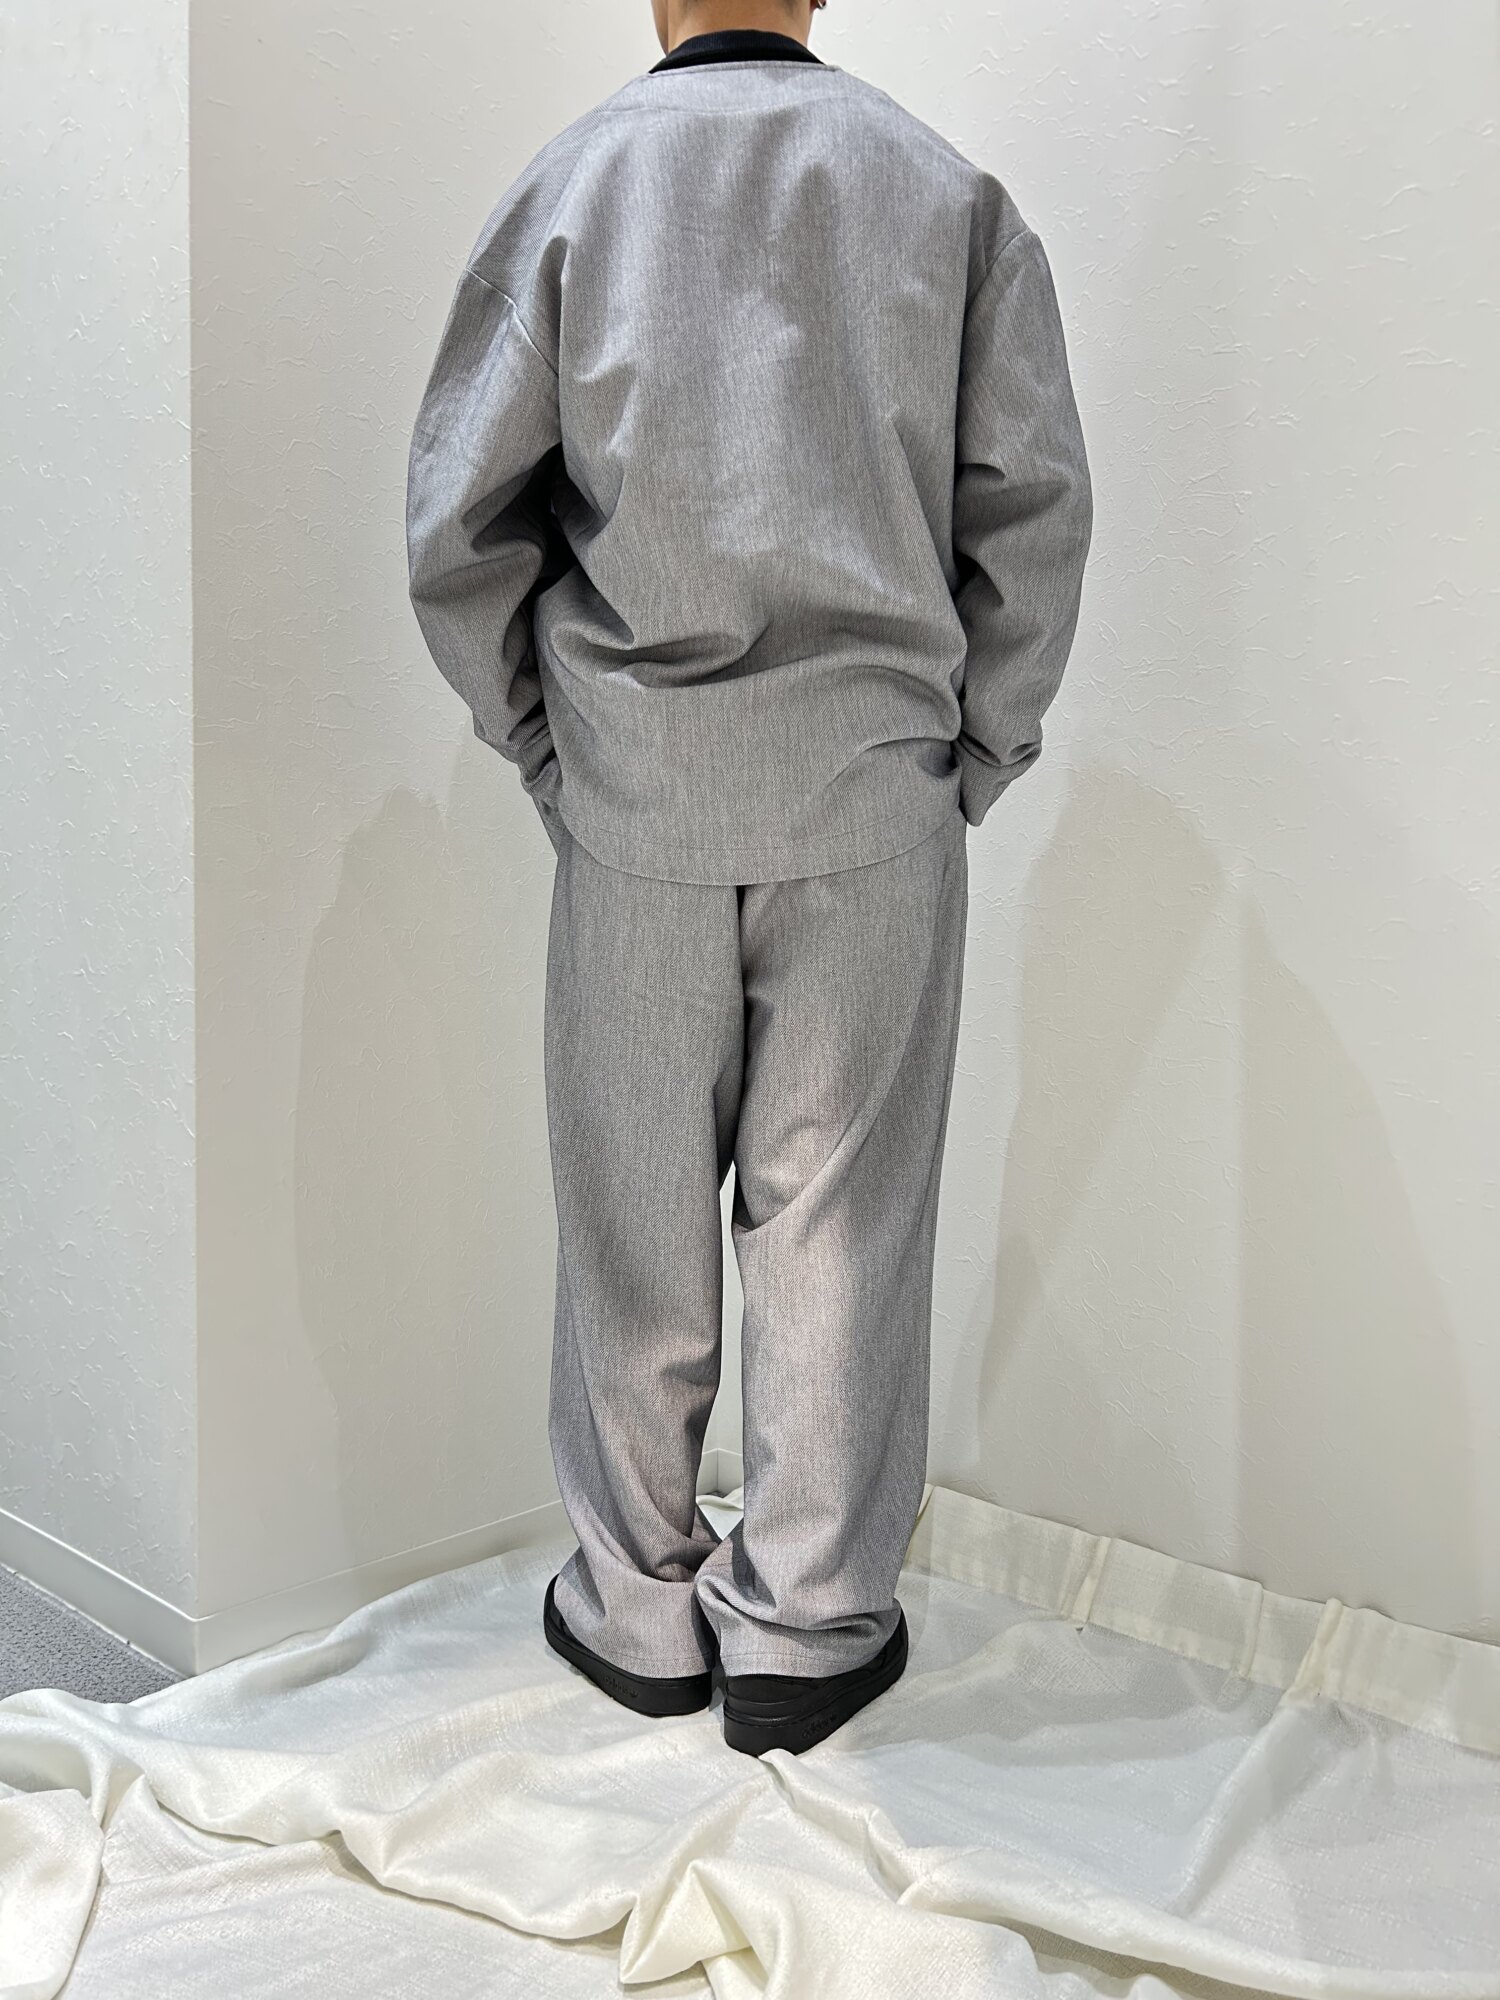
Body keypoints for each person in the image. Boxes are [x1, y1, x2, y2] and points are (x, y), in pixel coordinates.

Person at [405, 0, 1093, 1757]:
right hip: (873, 799)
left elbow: (459, 532)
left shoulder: (569, 192)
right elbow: (1032, 511)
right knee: (840, 1225)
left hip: (636, 801)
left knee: (629, 1219)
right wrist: (974, 754)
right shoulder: (946, 197)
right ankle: (803, 1628)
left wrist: (555, 751)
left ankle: (639, 1609)